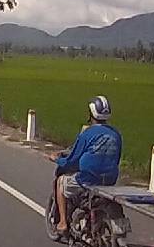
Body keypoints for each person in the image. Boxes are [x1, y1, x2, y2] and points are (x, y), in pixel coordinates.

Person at [52, 95, 122, 233]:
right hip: (110, 179)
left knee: (61, 182)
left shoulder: (88, 133)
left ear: (91, 114)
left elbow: (71, 160)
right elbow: (117, 157)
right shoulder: (116, 134)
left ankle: (63, 222)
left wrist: (56, 159)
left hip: (88, 178)